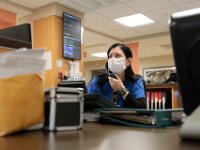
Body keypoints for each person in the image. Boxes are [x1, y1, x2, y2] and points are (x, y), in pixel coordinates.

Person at [87, 43, 146, 108]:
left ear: (128, 61)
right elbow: (86, 104)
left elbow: (142, 108)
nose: (113, 59)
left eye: (117, 56)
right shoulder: (97, 81)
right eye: (110, 56)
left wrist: (122, 89)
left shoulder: (136, 81)